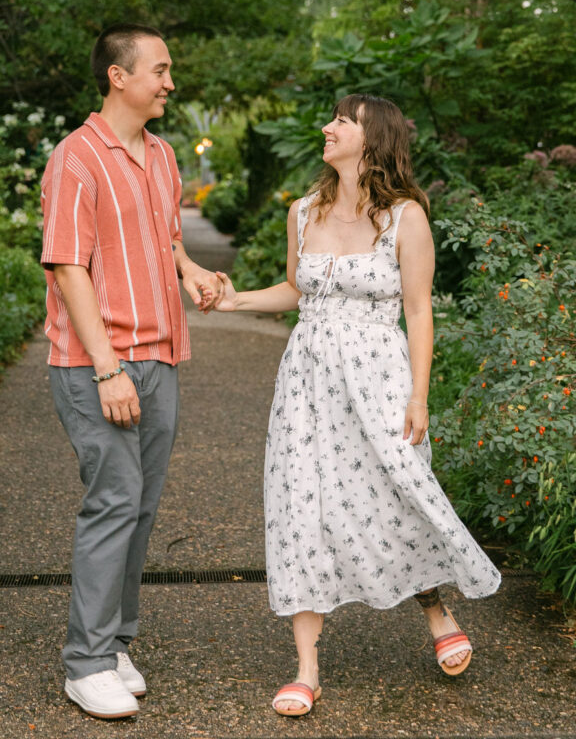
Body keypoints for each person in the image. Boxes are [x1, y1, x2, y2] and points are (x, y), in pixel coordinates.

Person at [212, 94, 501, 717]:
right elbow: (295, 289)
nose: (327, 127)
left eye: (341, 121)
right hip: (307, 384)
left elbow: (419, 311)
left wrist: (419, 395)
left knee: (394, 494)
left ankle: (435, 606)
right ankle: (307, 668)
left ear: (373, 139)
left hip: (379, 379)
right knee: (302, 505)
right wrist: (235, 302)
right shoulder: (302, 211)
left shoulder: (405, 218)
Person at [40, 24, 222, 720]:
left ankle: (114, 641)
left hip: (162, 356)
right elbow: (66, 267)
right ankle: (84, 662)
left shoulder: (165, 155)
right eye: (161, 69)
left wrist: (192, 270)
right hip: (99, 367)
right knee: (114, 500)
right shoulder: (76, 159)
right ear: (120, 77)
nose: (170, 82)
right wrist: (108, 368)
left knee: (140, 508)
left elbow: (167, 235)